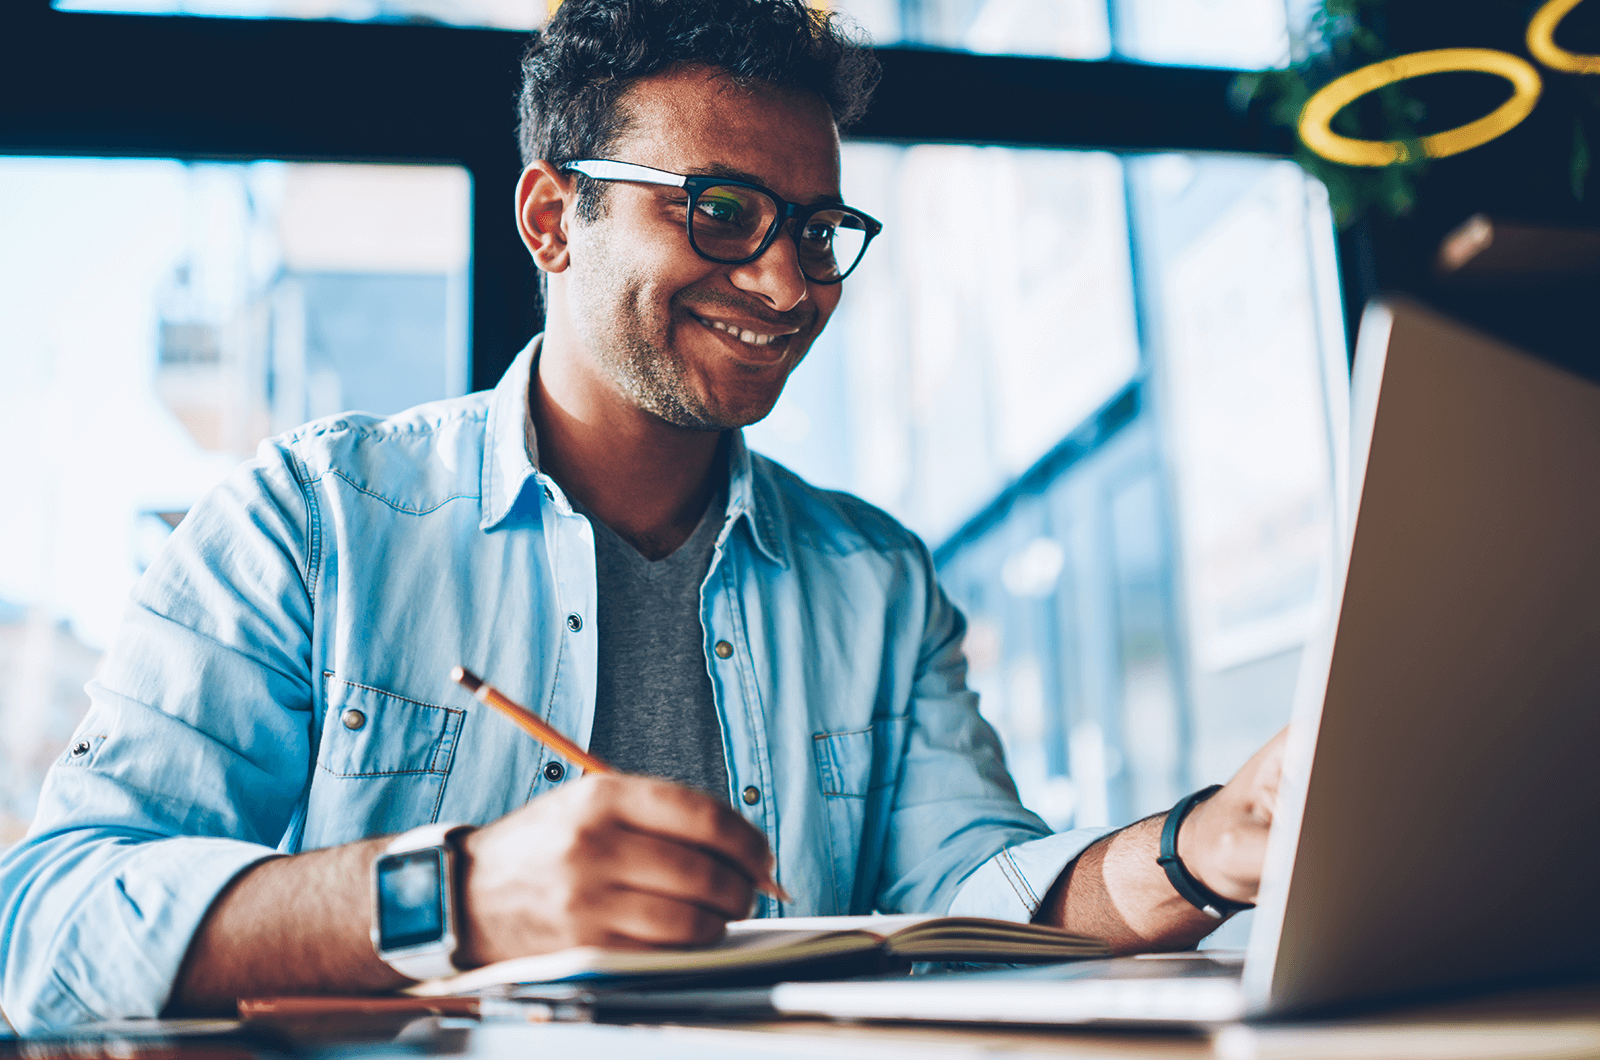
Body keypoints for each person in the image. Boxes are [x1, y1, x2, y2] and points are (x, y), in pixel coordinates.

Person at [0, 0, 1284, 1033]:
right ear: (554, 218)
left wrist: (1206, 846)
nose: (787, 283)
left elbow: (976, 908)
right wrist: (459, 896)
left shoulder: (876, 581)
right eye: (721, 212)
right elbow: (47, 924)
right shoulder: (311, 521)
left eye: (820, 230)